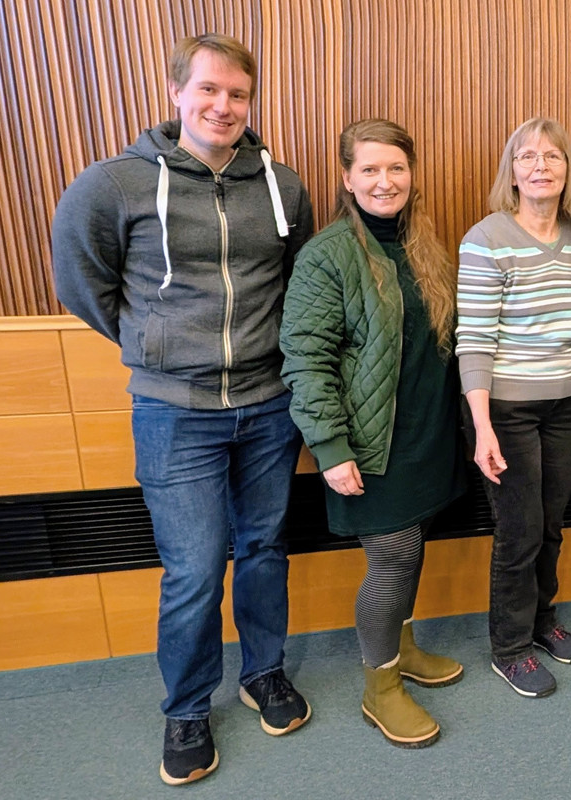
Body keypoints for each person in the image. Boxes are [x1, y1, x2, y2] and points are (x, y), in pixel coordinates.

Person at [51, 33, 313, 786]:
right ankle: (187, 707)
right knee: (194, 570)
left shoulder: (282, 185)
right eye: (208, 90)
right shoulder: (114, 185)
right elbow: (83, 284)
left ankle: (264, 672)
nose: (223, 106)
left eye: (238, 94)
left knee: (263, 551)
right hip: (174, 413)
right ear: (176, 92)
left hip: (269, 406)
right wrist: (152, 343)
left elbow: (297, 290)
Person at [280, 118, 466, 748]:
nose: (385, 181)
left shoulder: (424, 244)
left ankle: (402, 649)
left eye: (397, 168)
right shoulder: (327, 254)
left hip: (425, 436)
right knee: (392, 562)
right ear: (346, 178)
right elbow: (305, 357)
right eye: (370, 170)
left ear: (412, 175)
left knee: (412, 548)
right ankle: (379, 688)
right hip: (369, 442)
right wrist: (330, 450)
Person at [457, 117, 571, 698]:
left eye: (553, 155)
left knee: (551, 525)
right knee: (518, 532)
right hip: (508, 410)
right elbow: (474, 340)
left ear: (567, 168)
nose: (540, 165)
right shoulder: (488, 238)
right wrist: (482, 426)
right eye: (527, 156)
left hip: (568, 403)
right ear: (511, 170)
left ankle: (543, 622)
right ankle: (510, 646)